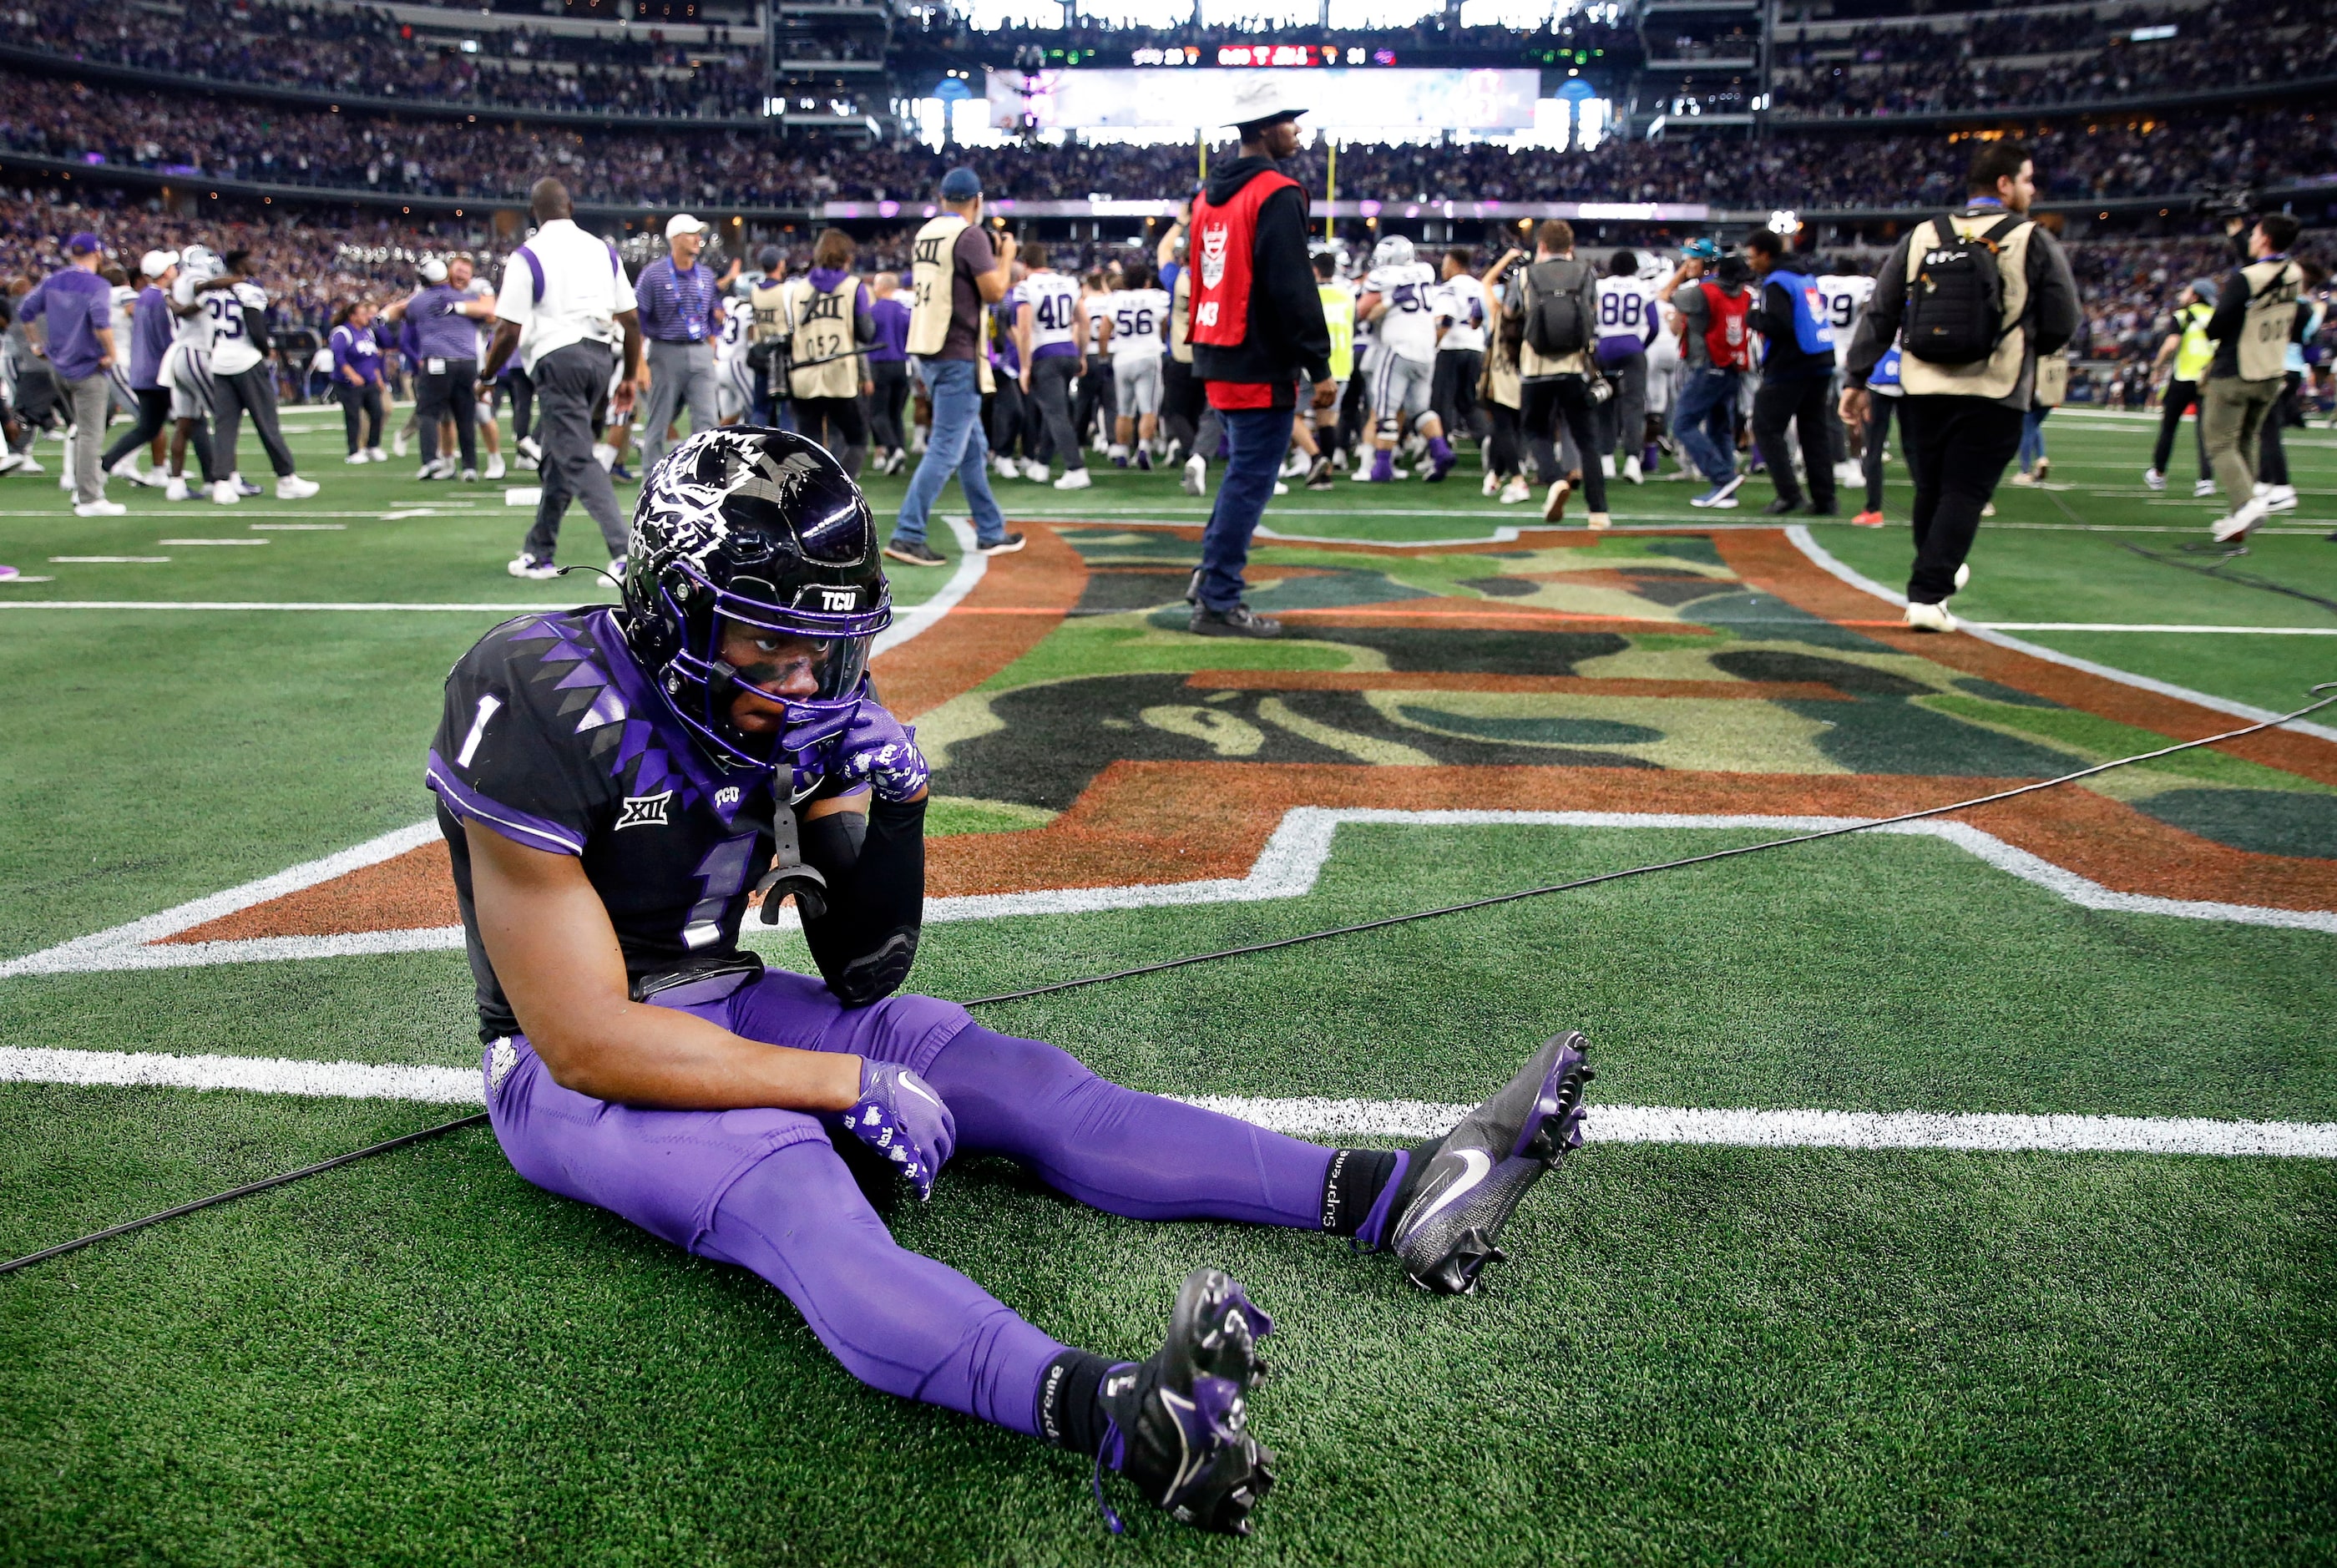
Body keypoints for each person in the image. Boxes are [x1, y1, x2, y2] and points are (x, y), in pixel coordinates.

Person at [427, 425, 1594, 1537]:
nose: (796, 677)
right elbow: (582, 1037)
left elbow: (866, 963)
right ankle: (1127, 1417)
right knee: (787, 1175)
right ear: (670, 604)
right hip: (561, 1062)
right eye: (761, 645)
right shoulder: (540, 689)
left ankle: (1399, 1192)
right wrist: (837, 1083)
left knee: (1013, 1077)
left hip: (724, 989)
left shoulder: (822, 689)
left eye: (817, 648)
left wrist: (894, 812)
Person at [1841, 140, 2078, 632]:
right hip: (1996, 385)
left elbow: (1882, 312)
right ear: (2005, 185)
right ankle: (1928, 593)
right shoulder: (2032, 238)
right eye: (2028, 180)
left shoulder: (1923, 234)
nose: (2033, 190)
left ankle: (1936, 578)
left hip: (1921, 382)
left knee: (1932, 488)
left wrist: (1856, 378)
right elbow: (2062, 319)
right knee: (1965, 491)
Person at [1184, 74, 1334, 636]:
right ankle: (1219, 598)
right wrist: (1318, 365)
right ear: (1268, 128)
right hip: (1259, 356)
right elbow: (1292, 287)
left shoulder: (1205, 195)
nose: (1296, 130)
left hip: (1216, 350)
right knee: (1249, 481)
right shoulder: (1276, 192)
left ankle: (1210, 582)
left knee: (1239, 477)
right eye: (1289, 120)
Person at [478, 176, 645, 581]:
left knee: (575, 457)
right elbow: (632, 320)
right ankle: (539, 551)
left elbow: (508, 330)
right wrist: (627, 374)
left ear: (534, 213)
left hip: (558, 359)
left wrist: (486, 376)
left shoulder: (528, 254)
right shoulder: (602, 251)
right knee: (559, 454)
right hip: (601, 357)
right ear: (571, 206)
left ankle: (626, 556)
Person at [883, 165, 1024, 568]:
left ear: (942, 199)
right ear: (977, 201)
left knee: (972, 447)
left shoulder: (926, 233)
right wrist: (1007, 258)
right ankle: (909, 533)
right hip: (957, 352)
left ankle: (991, 530)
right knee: (947, 448)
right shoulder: (970, 234)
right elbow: (994, 291)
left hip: (929, 349)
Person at [2200, 213, 2305, 544]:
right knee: (2245, 438)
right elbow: (2265, 271)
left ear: (2264, 239)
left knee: (2219, 442)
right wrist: (2237, 233)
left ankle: (2246, 504)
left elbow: (2216, 327)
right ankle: (2239, 513)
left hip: (2236, 369)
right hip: (2271, 371)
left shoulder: (2245, 278)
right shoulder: (2294, 273)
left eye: (2255, 233)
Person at [1514, 220, 1611, 528]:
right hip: (1575, 367)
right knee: (1587, 441)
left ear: (1541, 245)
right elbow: (1591, 311)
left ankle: (1554, 479)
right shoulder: (1586, 272)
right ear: (1571, 247)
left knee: (1535, 431)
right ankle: (1598, 511)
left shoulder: (1527, 274)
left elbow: (1510, 313)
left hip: (1535, 367)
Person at [19, 232, 123, 515]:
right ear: (98, 254)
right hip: (87, 367)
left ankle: (81, 489)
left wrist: (35, 343)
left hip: (58, 368)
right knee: (91, 433)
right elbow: (101, 320)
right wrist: (112, 353)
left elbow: (26, 310)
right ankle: (89, 497)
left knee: (81, 430)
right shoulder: (97, 284)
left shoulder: (53, 281)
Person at [205, 248, 321, 501]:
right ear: (239, 266)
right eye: (250, 260)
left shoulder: (212, 291)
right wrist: (266, 350)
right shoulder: (249, 290)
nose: (255, 263)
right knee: (267, 422)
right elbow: (255, 330)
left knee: (225, 426)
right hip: (246, 360)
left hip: (219, 360)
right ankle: (286, 478)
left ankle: (221, 483)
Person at [1742, 229, 1838, 517]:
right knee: (1813, 430)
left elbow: (1779, 324)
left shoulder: (1776, 282)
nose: (1750, 263)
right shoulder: (1805, 276)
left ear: (1765, 254)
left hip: (1792, 364)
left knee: (1765, 427)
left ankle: (1789, 494)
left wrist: (1753, 317)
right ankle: (1825, 499)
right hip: (1820, 359)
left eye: (1752, 256)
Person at [635, 214, 729, 479]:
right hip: (665, 351)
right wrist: (641, 364)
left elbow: (711, 317)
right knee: (659, 420)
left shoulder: (707, 276)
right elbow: (638, 320)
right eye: (692, 234)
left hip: (700, 351)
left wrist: (712, 351)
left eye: (699, 234)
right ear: (675, 238)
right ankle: (650, 480)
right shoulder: (653, 275)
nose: (699, 239)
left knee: (708, 421)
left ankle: (706, 480)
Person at [383, 255, 493, 481]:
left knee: (428, 412)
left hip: (437, 362)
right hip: (468, 362)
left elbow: (405, 314)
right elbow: (488, 314)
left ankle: (431, 461)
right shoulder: (467, 299)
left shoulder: (420, 301)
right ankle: (470, 467)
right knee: (465, 415)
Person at [1661, 249, 1753, 508]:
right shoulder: (1745, 295)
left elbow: (1667, 295)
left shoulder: (1705, 291)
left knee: (1683, 424)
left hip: (1708, 364)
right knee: (1718, 427)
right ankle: (1727, 492)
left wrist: (1685, 272)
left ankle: (1723, 477)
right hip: (1733, 365)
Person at [780, 228, 875, 478]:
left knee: (807, 443)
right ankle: (839, 488)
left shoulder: (796, 289)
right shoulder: (853, 287)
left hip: (803, 374)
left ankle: (806, 491)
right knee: (855, 438)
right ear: (846, 257)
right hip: (839, 374)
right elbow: (866, 332)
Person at [1357, 235, 1450, 483]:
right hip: (1426, 349)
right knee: (1420, 408)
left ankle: (1382, 468)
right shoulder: (1425, 271)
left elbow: (1363, 310)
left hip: (1398, 347)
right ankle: (1441, 451)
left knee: (1385, 409)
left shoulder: (1384, 276)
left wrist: (1386, 303)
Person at [159, 245, 240, 506]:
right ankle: (226, 480)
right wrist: (239, 280)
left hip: (180, 355)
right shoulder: (193, 278)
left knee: (185, 423)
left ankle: (176, 483)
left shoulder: (178, 283)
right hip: (196, 353)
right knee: (223, 417)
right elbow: (205, 286)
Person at [1013, 239, 1088, 490]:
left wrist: (1025, 366)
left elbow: (1024, 330)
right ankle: (1042, 463)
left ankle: (1075, 468)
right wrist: (1082, 355)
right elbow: (1084, 321)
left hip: (1045, 353)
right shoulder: (1069, 282)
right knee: (1052, 409)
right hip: (1067, 350)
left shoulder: (1025, 287)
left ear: (1025, 264)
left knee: (1056, 413)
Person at [2254, 257, 2325, 516]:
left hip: (2280, 368)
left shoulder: (2293, 305)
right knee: (2268, 427)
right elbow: (2308, 341)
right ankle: (2263, 483)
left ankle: (2282, 488)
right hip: (2292, 368)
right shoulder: (2308, 309)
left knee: (2269, 429)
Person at [2144, 281, 2217, 496]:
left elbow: (2171, 344)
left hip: (2183, 376)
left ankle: (2158, 473)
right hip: (2208, 379)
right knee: (2205, 432)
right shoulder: (2217, 316)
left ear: (2195, 295)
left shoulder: (2182, 316)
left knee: (2169, 427)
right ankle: (2205, 480)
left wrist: (2157, 366)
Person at [1591, 249, 1656, 485]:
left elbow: (1590, 318)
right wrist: (1640, 345)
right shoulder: (1642, 287)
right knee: (1634, 405)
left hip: (1605, 347)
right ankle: (1631, 461)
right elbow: (1655, 325)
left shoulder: (1600, 286)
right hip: (1631, 345)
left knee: (1604, 403)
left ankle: (1606, 459)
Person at [1098, 258, 1169, 469]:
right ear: (1147, 281)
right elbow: (1164, 322)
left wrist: (1104, 358)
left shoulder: (1116, 299)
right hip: (1148, 355)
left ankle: (1121, 450)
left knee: (1124, 409)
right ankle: (1144, 448)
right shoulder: (1157, 297)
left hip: (1122, 357)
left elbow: (1104, 332)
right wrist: (1161, 340)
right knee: (1148, 408)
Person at [1430, 246, 1487, 473]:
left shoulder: (1450, 288)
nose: (1443, 269)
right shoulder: (1479, 286)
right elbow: (1481, 318)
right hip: (1475, 346)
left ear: (1454, 264)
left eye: (1445, 264)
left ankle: (1439, 453)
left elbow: (1446, 320)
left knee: (1441, 403)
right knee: (1469, 401)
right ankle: (1486, 441)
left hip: (1452, 348)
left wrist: (1433, 344)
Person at [327, 300, 387, 463]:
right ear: (352, 316)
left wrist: (378, 377)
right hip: (348, 384)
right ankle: (354, 451)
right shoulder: (342, 332)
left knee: (377, 413)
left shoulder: (368, 333)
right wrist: (352, 375)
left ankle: (372, 446)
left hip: (370, 381)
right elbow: (338, 357)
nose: (366, 317)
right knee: (353, 416)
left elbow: (372, 358)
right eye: (362, 314)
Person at [864, 270, 912, 474]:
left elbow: (865, 335)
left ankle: (893, 450)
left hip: (879, 365)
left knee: (877, 413)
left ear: (881, 286)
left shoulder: (873, 311)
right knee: (896, 414)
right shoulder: (904, 311)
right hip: (902, 365)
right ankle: (899, 450)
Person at [747, 245, 790, 432]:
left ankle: (756, 447)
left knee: (761, 408)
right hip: (783, 354)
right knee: (787, 408)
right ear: (780, 264)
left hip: (762, 353)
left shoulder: (754, 290)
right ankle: (790, 449)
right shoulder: (785, 290)